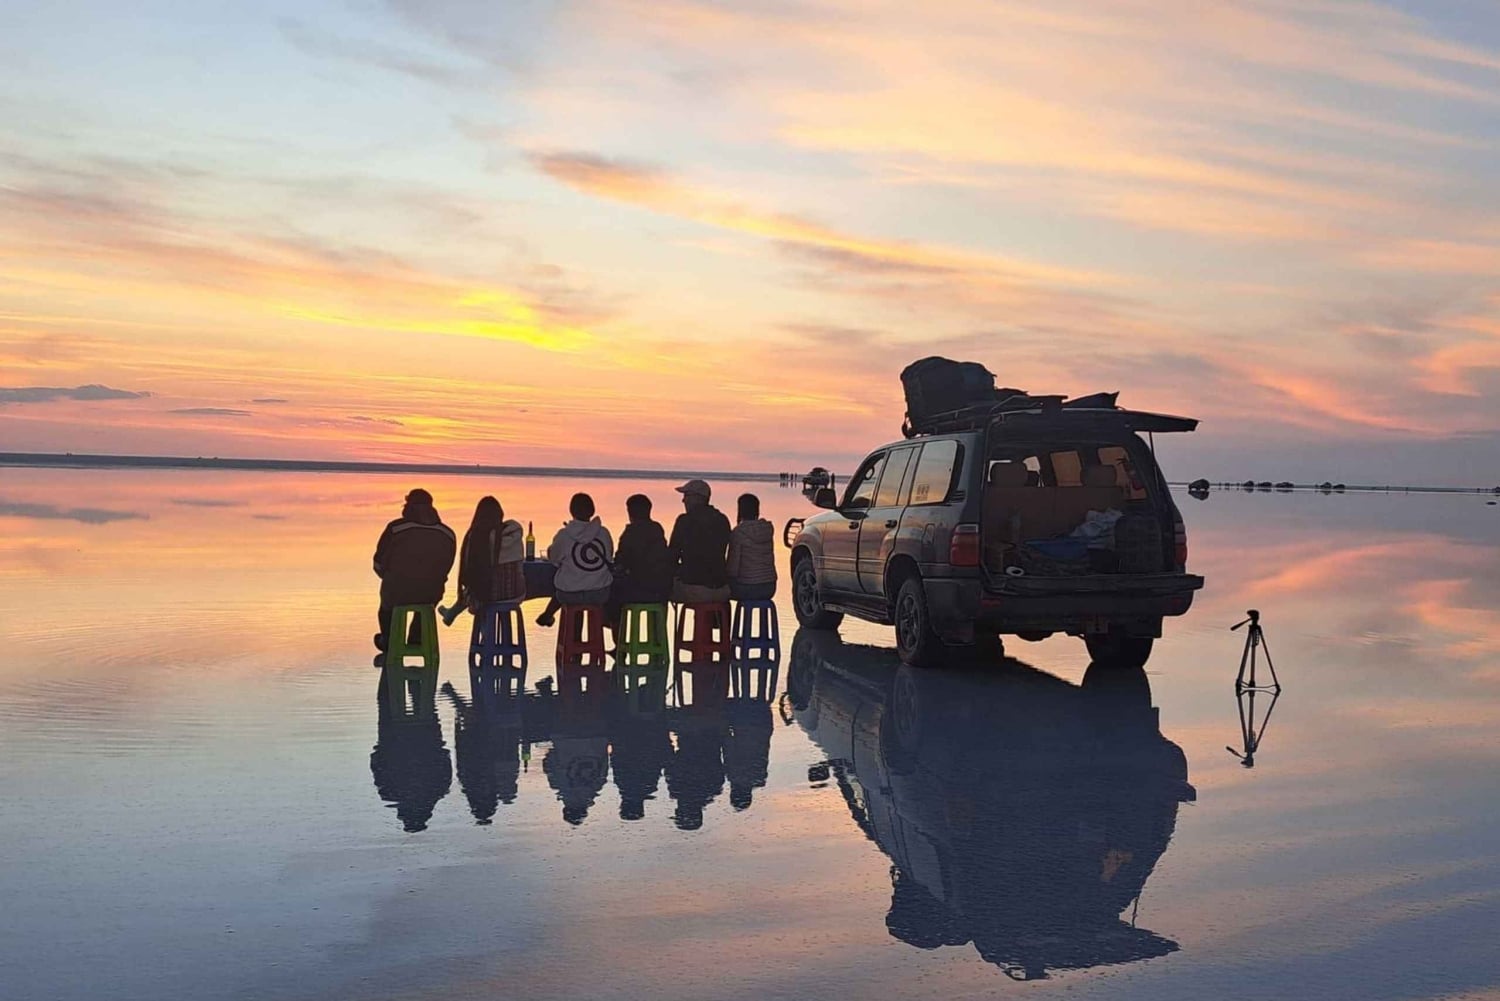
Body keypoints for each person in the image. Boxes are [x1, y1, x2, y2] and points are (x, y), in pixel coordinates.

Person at [372, 488, 456, 666]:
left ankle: (389, 640)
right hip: (431, 594)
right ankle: (417, 636)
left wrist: (391, 577)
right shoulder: (448, 534)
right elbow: (446, 568)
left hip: (397, 591)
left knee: (387, 604)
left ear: (408, 506)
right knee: (426, 600)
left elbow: (378, 564)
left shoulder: (396, 529)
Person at [441, 496, 525, 626]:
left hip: (489, 595)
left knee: (477, 590)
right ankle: (499, 638)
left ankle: (485, 638)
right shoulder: (514, 534)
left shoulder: (478, 536)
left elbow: (470, 574)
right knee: (493, 584)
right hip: (516, 594)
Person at [537, 492, 614, 627]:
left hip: (569, 594)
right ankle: (595, 635)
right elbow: (608, 557)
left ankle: (572, 638)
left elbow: (554, 558)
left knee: (566, 588)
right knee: (575, 587)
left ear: (571, 511)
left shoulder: (564, 535)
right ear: (592, 510)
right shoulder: (603, 533)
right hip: (599, 593)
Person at [606, 493, 673, 631]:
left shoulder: (630, 532)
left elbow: (620, 561)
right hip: (660, 592)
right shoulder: (657, 529)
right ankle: (658, 639)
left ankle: (618, 641)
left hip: (638, 591)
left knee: (611, 591)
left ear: (630, 512)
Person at [668, 479, 732, 604]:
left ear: (697, 498)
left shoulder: (684, 521)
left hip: (695, 588)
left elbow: (672, 556)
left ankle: (659, 623)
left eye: (686, 496)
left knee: (660, 589)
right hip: (722, 589)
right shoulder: (723, 520)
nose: (683, 500)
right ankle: (713, 623)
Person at [726, 492, 777, 601]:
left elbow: (733, 568)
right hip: (770, 588)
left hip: (748, 588)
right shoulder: (767, 529)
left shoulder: (738, 532)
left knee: (722, 591)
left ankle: (727, 618)